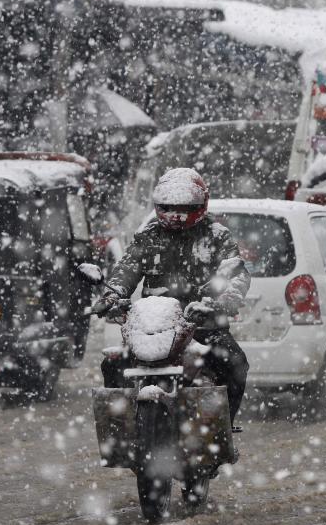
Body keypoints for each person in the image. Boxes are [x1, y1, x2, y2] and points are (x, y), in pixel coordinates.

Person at [94, 168, 251, 425]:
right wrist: (112, 295)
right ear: (157, 205)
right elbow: (127, 269)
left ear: (201, 205)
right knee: (112, 365)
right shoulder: (148, 236)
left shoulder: (217, 236)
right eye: (168, 207)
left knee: (235, 363)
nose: (177, 214)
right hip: (153, 326)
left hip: (202, 324)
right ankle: (121, 430)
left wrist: (223, 302)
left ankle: (222, 428)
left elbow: (237, 275)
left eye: (185, 208)